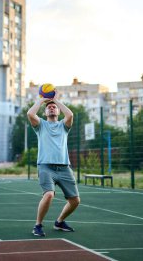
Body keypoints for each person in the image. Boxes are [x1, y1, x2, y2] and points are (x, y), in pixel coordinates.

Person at [27, 93, 80, 237]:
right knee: (49, 194)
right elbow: (30, 113)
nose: (51, 108)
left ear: (58, 111)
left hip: (64, 167)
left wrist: (55, 100)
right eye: (49, 107)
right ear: (44, 112)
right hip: (45, 166)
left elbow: (70, 114)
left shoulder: (64, 126)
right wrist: (42, 100)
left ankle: (60, 221)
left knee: (75, 200)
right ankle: (37, 225)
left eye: (54, 107)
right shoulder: (41, 125)